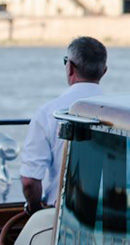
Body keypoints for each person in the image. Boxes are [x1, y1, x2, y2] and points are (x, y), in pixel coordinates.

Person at [19, 36, 107, 213]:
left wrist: (36, 212)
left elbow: (29, 182)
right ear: (104, 71)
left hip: (62, 217)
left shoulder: (47, 114)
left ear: (70, 67)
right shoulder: (124, 114)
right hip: (114, 220)